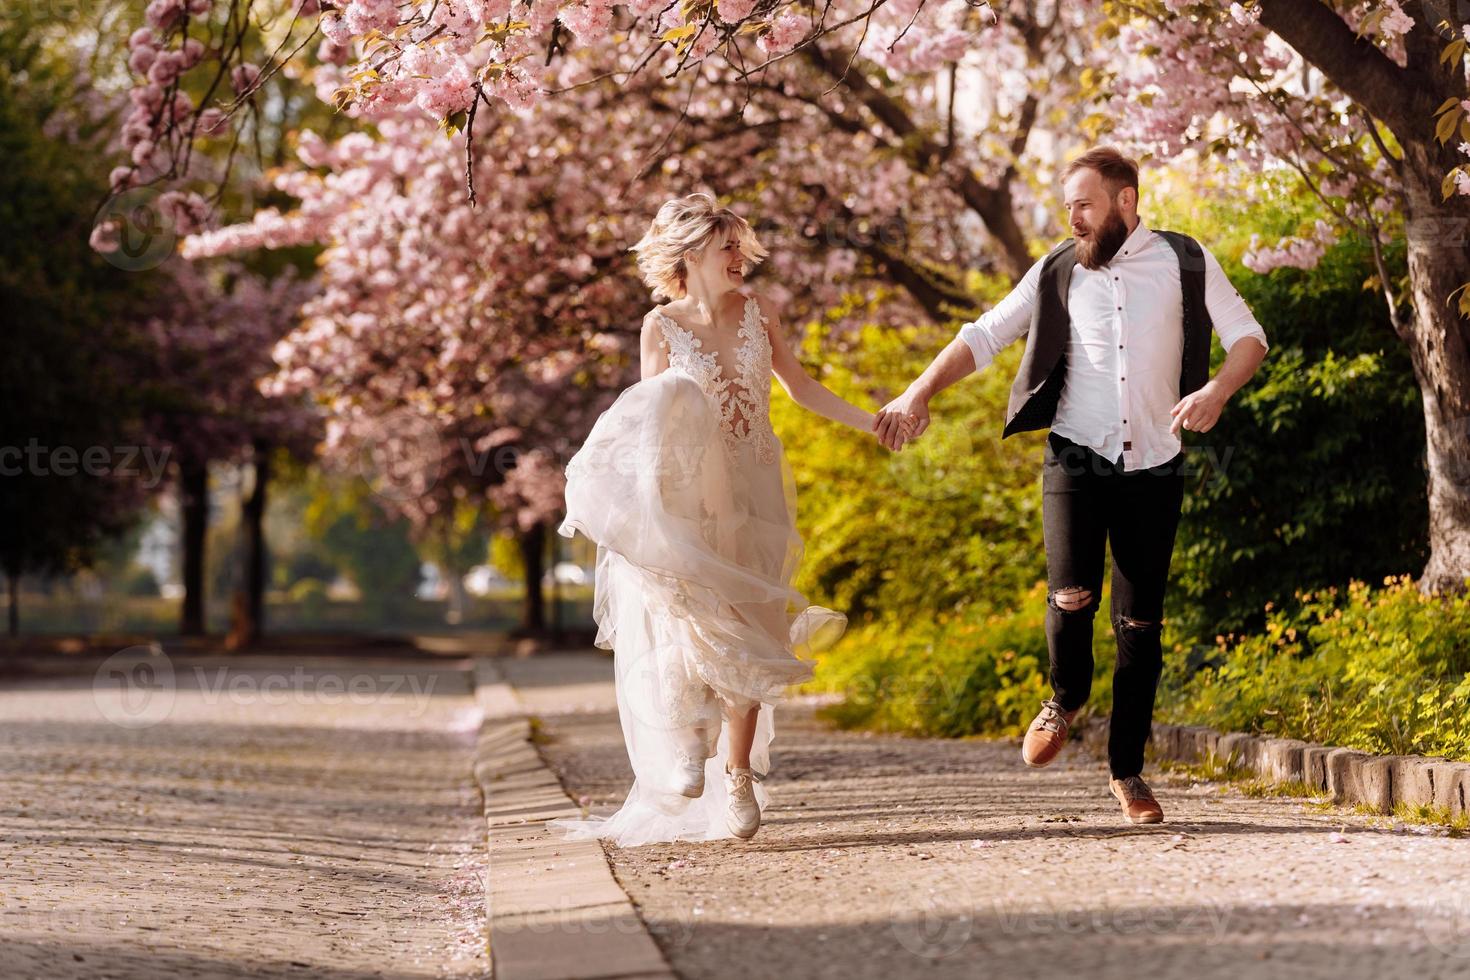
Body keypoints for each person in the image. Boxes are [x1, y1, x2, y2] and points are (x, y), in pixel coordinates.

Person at [872, 146, 1269, 825]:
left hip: (1155, 461)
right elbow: (987, 332)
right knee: (1072, 593)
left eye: (1084, 204)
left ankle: (1128, 772)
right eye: (1068, 207)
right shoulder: (1060, 267)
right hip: (1074, 457)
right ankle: (1065, 696)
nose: (1073, 217)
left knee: (1140, 622)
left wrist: (1217, 391)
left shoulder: (1185, 260)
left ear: (1124, 200)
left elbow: (1249, 338)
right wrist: (919, 390)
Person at [553, 192, 901, 845]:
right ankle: (690, 738)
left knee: (755, 628)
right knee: (691, 617)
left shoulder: (760, 313)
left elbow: (801, 388)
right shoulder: (660, 327)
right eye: (728, 247)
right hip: (690, 495)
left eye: (742, 245)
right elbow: (651, 420)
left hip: (758, 487)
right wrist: (647, 510)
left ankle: (737, 776)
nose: (742, 257)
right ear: (691, 255)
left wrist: (873, 422)